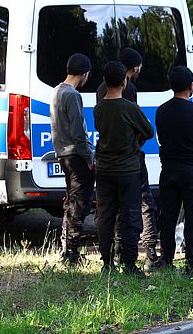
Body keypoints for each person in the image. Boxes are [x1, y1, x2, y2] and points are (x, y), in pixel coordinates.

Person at [96, 47, 161, 271]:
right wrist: (135, 143)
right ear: (124, 81)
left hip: (104, 167)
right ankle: (129, 263)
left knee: (105, 215)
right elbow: (148, 131)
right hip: (128, 168)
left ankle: (106, 262)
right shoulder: (130, 107)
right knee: (131, 214)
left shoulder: (99, 108)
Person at [155, 66, 193, 274]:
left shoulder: (162, 111)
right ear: (191, 86)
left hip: (169, 168)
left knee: (168, 215)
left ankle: (166, 259)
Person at [49, 53, 95, 265]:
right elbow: (78, 131)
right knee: (79, 204)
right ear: (84, 74)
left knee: (70, 201)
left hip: (62, 154)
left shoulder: (57, 91)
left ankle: (66, 248)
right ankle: (72, 253)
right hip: (76, 155)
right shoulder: (73, 95)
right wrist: (88, 157)